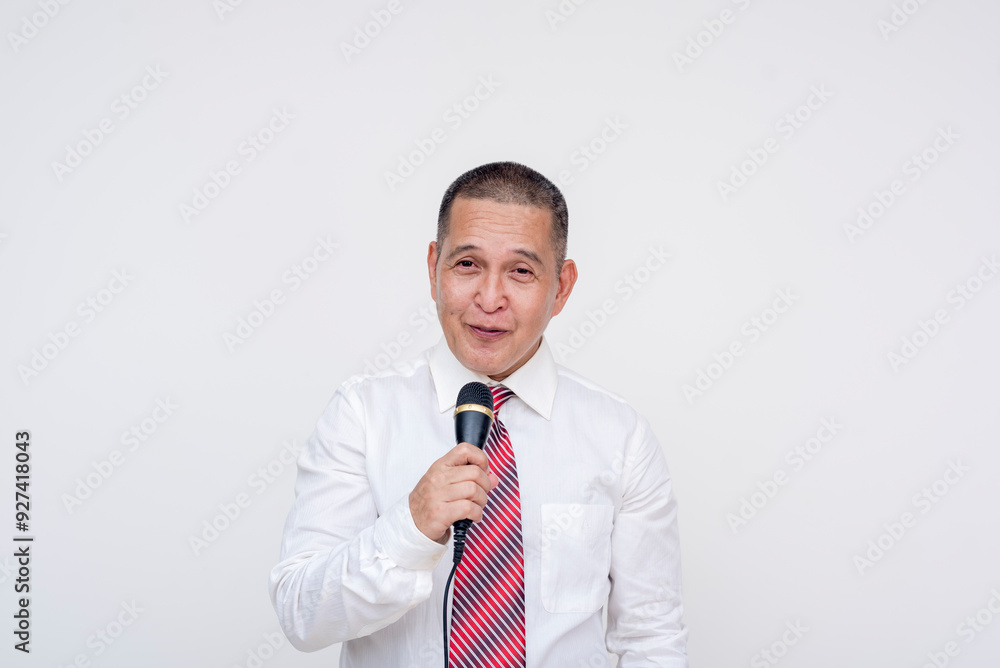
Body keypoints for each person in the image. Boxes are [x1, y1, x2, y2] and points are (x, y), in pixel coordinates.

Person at [268, 161, 688, 666]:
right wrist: (411, 526)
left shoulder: (620, 437)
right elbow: (301, 617)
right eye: (467, 265)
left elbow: (650, 635)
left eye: (522, 272)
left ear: (563, 286)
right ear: (434, 268)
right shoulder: (362, 415)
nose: (490, 299)